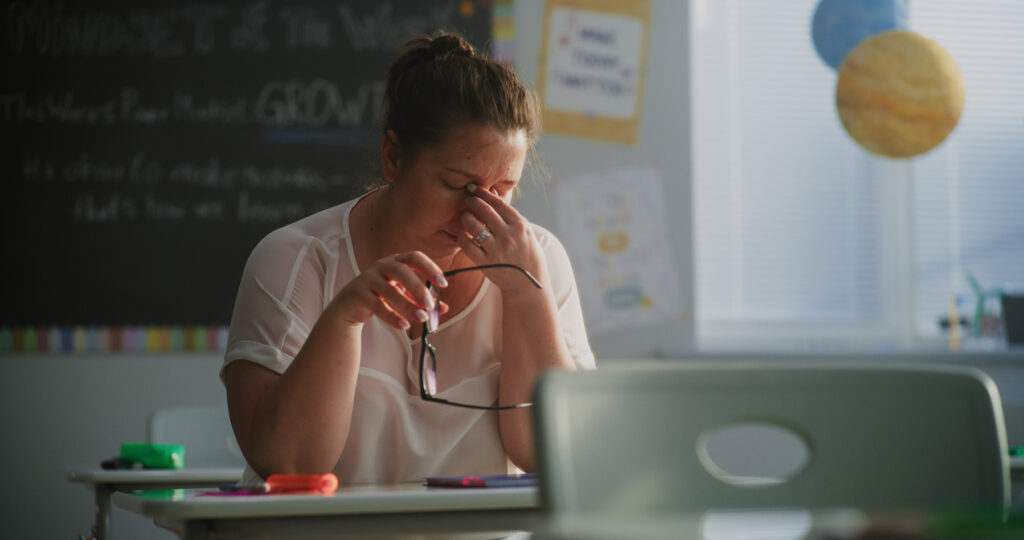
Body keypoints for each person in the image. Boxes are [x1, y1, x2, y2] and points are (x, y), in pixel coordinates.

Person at [222, 31, 595, 486]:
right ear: (393, 157)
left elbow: (554, 454)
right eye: (459, 186)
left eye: (503, 189)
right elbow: (290, 464)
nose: (480, 212)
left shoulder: (539, 259)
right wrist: (345, 317)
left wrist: (526, 294)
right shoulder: (294, 259)